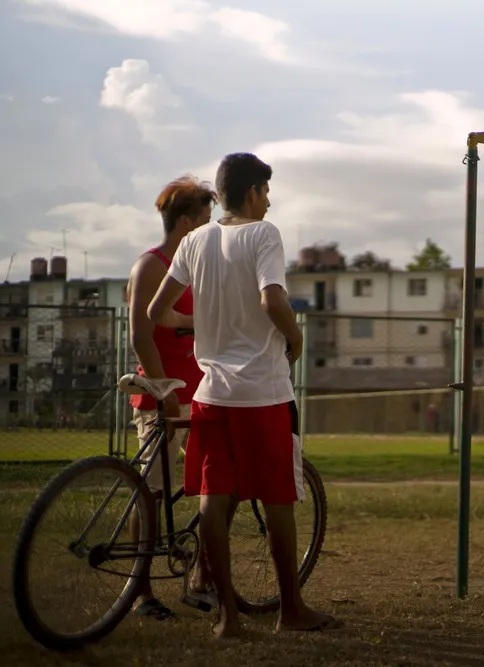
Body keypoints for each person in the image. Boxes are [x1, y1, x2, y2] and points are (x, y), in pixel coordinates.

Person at [148, 152, 338, 638]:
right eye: (267, 193)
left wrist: (204, 323)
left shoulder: (194, 240)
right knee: (277, 499)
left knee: (214, 497)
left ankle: (227, 617)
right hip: (263, 393)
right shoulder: (263, 235)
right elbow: (271, 299)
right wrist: (295, 338)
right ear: (253, 192)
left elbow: (158, 312)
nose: (270, 203)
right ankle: (290, 610)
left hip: (212, 393)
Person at [125, 175, 215, 620]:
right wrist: (162, 392)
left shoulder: (191, 268)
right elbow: (141, 336)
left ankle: (200, 579)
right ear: (185, 222)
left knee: (214, 486)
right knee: (153, 493)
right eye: (204, 221)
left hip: (200, 395)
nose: (209, 229)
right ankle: (139, 592)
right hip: (165, 397)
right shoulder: (153, 265)